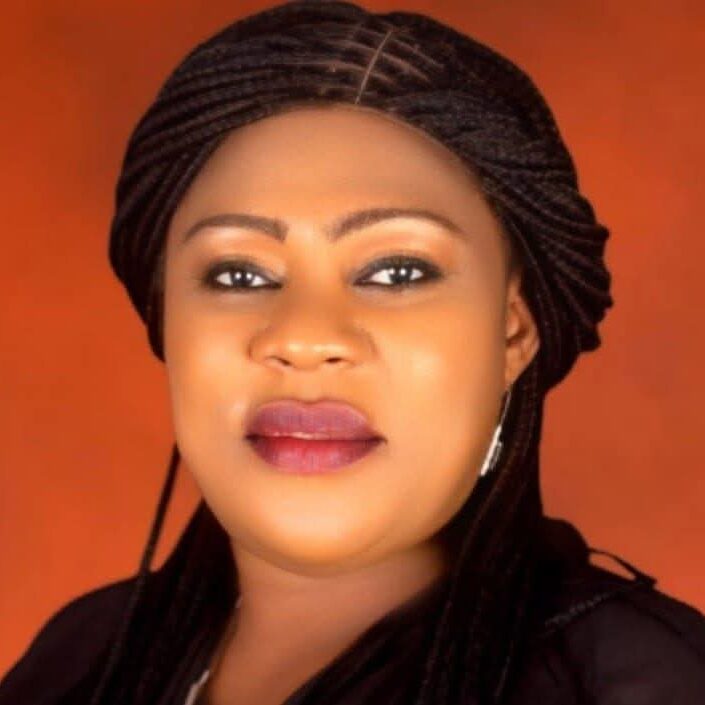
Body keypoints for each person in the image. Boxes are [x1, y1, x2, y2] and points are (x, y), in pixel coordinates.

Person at [1, 1, 704, 703]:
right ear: (166, 317)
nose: (304, 338)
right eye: (238, 275)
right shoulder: (79, 659)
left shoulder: (637, 682)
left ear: (513, 333)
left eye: (396, 272)